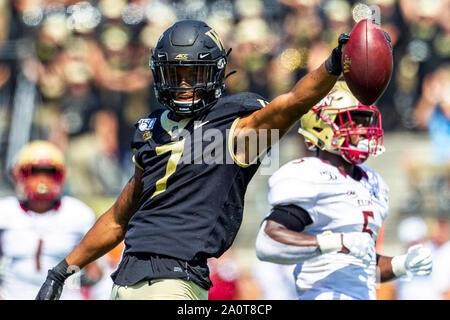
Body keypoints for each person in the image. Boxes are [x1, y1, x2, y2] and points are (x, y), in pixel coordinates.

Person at [35, 19, 377, 300]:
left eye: (194, 75)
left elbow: (292, 103)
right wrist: (63, 270)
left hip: (172, 282)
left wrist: (333, 64)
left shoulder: (234, 126)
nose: (183, 86)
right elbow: (118, 219)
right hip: (135, 280)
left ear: (214, 73)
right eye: (175, 75)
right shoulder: (151, 129)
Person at [255, 81, 433, 300]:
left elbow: (363, 269)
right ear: (323, 126)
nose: (363, 131)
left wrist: (401, 264)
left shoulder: (372, 182)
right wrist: (334, 243)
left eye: (364, 121)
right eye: (352, 121)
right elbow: (267, 242)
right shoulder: (311, 175)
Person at [0, 140, 100, 299]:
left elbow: (95, 272)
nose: (42, 179)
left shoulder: (78, 213)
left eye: (49, 172)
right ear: (20, 175)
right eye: (35, 171)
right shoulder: (5, 212)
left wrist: (69, 279)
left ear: (61, 175)